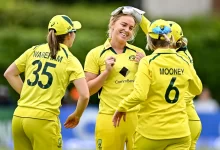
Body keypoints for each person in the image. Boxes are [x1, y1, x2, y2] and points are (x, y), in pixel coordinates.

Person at [112, 19, 203, 150]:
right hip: (180, 133)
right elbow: (197, 89)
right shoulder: (184, 60)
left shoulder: (148, 62)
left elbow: (139, 95)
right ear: (170, 38)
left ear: (149, 40)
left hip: (151, 133)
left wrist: (122, 107)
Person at [4, 15, 90, 150]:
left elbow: (9, 73)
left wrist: (28, 95)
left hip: (19, 117)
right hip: (43, 120)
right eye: (74, 32)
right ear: (69, 35)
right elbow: (84, 95)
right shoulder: (70, 60)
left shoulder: (34, 50)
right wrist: (77, 115)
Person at [84, 8, 145, 150]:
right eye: (123, 25)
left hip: (137, 117)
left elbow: (150, 86)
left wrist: (146, 65)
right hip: (109, 117)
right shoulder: (95, 54)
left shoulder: (139, 53)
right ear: (112, 24)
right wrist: (105, 73)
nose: (127, 30)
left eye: (131, 28)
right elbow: (87, 90)